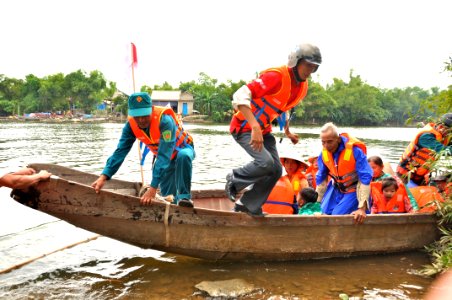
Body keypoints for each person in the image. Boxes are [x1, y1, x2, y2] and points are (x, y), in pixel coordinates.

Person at [225, 43, 322, 216]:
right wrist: (254, 126)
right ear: (295, 61)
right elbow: (240, 95)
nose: (310, 71)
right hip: (244, 127)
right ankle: (235, 179)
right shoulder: (275, 76)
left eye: (314, 68)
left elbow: (281, 108)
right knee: (265, 163)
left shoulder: (302, 87)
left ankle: (248, 204)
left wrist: (287, 131)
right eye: (308, 65)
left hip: (263, 131)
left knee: (276, 169)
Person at [91, 92, 195, 207]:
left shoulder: (165, 121)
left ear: (151, 109)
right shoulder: (130, 126)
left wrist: (153, 187)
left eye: (145, 115)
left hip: (182, 149)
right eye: (137, 116)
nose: (141, 120)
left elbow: (164, 155)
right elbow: (120, 151)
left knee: (183, 156)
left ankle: (184, 198)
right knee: (169, 199)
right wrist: (104, 176)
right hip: (166, 160)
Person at [315, 122, 373, 223]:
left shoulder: (355, 151)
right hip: (336, 189)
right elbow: (321, 177)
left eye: (330, 142)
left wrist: (361, 208)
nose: (326, 146)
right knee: (321, 213)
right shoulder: (323, 153)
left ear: (338, 139)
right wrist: (317, 203)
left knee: (336, 217)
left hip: (354, 190)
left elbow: (365, 178)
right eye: (323, 142)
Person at [397, 113, 452, 187]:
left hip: (420, 177)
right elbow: (445, 151)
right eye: (450, 132)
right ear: (441, 127)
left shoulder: (443, 137)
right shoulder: (426, 137)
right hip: (405, 176)